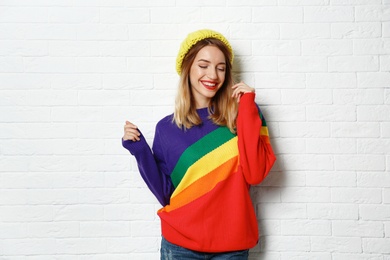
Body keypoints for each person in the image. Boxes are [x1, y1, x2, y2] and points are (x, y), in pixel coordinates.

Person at [122, 29, 276, 260]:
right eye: (203, 65)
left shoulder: (243, 115)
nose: (212, 75)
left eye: (221, 68)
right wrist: (140, 151)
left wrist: (247, 107)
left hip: (232, 246)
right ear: (188, 69)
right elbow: (166, 194)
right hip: (179, 245)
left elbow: (255, 174)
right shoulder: (166, 128)